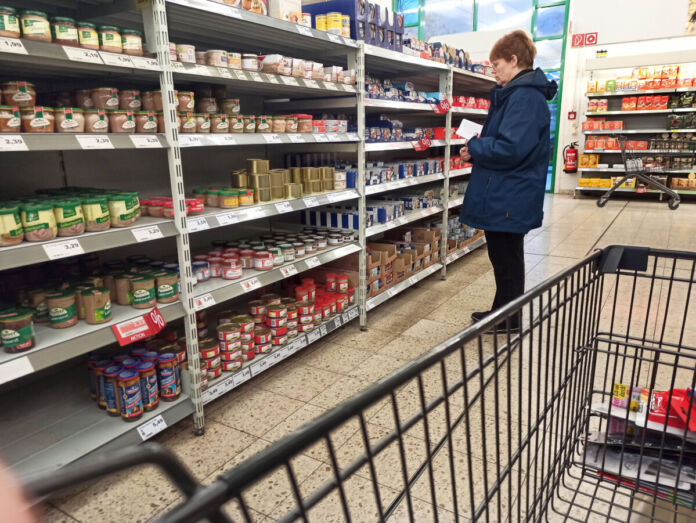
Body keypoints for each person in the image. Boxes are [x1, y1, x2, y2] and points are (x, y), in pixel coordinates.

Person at [459, 30, 557, 333]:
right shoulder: (517, 94)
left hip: (509, 194)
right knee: (504, 257)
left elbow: (511, 148)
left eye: (496, 64)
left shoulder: (525, 98)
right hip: (507, 191)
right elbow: (507, 144)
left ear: (514, 60)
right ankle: (502, 313)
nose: (493, 70)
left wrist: (475, 147)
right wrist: (476, 152)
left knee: (507, 259)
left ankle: (508, 319)